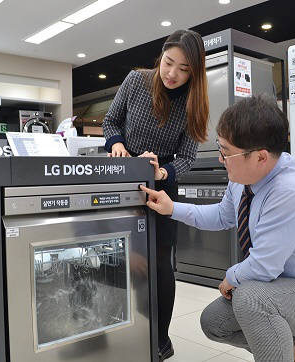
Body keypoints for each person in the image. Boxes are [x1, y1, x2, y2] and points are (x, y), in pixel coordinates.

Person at [139, 95, 295, 362]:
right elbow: (222, 215)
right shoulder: (243, 179)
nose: (221, 159)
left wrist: (231, 276)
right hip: (285, 286)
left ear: (261, 157)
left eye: (226, 152)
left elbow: (264, 266)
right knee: (214, 322)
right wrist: (171, 207)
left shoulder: (292, 190)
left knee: (251, 298)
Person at [102, 29, 209, 361]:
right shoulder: (136, 81)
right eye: (168, 63)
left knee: (161, 264)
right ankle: (124, 331)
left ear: (195, 71)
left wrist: (162, 172)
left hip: (161, 186)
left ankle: (159, 340)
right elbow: (110, 123)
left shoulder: (194, 101)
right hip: (124, 178)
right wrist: (117, 145)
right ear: (160, 58)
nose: (172, 74)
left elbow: (188, 157)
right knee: (122, 258)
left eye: (184, 68)